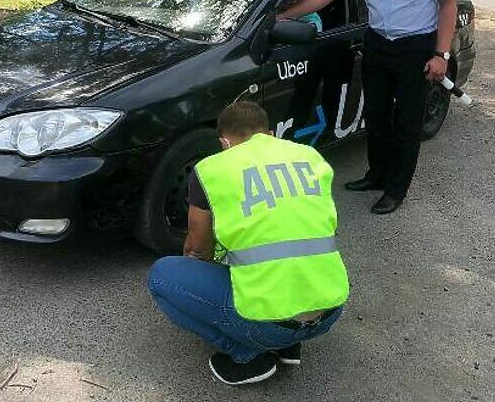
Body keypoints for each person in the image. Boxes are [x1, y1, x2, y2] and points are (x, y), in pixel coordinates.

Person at [277, 0, 457, 215]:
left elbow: (447, 4)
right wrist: (288, 14)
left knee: (406, 123)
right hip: (377, 43)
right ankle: (375, 175)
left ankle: (396, 189)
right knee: (375, 115)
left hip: (415, 48)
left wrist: (441, 55)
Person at [147, 102, 349, 386]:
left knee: (162, 278)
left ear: (224, 142)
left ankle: (246, 354)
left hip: (267, 324)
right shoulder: (309, 156)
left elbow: (196, 250)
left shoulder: (212, 169)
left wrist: (200, 281)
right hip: (330, 310)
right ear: (269, 133)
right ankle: (287, 346)